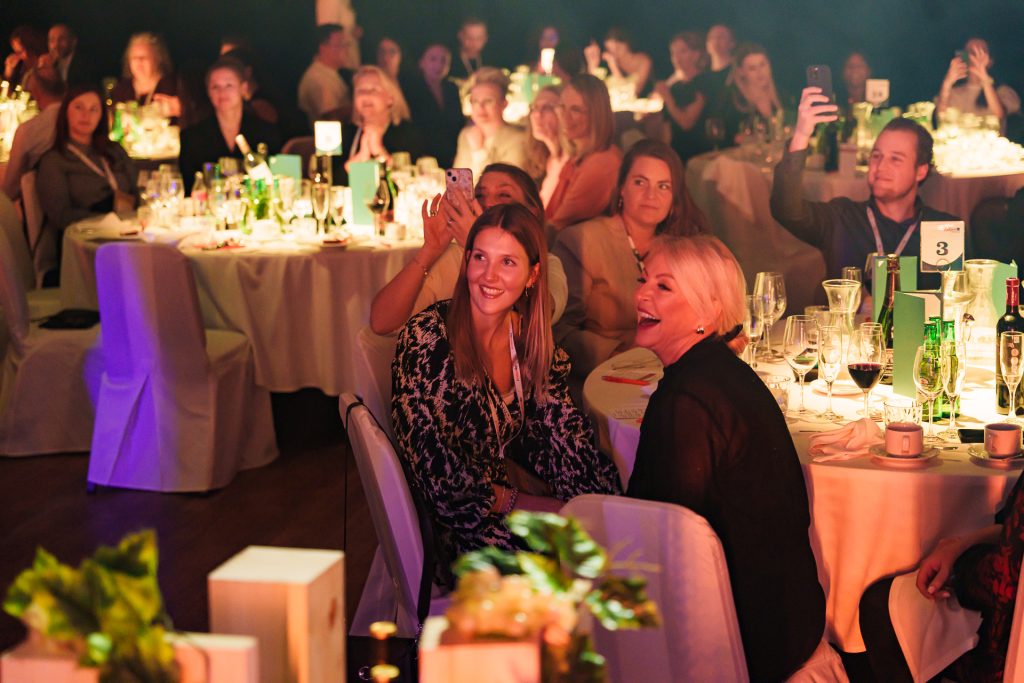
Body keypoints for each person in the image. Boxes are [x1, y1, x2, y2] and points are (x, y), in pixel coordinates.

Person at [626, 235, 829, 682]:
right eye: (643, 280)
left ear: (707, 312)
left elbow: (666, 542)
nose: (641, 295)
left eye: (664, 286)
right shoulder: (723, 373)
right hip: (786, 617)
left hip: (744, 639)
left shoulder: (687, 401)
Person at [391, 202, 621, 585]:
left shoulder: (527, 340)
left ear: (533, 275)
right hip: (458, 528)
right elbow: (442, 482)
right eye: (480, 257)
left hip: (510, 502)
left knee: (616, 536)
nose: (489, 275)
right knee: (576, 564)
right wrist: (530, 504)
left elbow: (564, 433)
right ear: (466, 261)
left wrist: (593, 501)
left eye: (507, 262)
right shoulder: (428, 340)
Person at [770, 87, 959, 290]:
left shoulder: (942, 229)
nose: (881, 166)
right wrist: (801, 134)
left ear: (920, 171)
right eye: (876, 156)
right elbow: (786, 210)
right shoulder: (842, 219)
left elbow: (952, 300)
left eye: (895, 159)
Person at [552, 140, 705, 382]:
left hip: (675, 373)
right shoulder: (582, 241)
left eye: (663, 186)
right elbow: (559, 332)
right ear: (622, 188)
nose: (651, 195)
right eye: (640, 182)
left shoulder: (683, 245)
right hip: (605, 379)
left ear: (674, 198)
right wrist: (619, 357)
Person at [858, 471, 1024, 682]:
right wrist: (957, 546)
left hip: (1009, 632)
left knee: (880, 608)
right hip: (995, 588)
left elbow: (1003, 582)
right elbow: (1010, 528)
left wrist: (958, 571)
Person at [370, 163, 568, 335]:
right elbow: (382, 324)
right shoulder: (451, 257)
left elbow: (538, 320)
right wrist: (430, 249)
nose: (488, 203)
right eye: (479, 195)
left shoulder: (546, 263)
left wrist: (476, 245)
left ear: (533, 211)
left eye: (504, 195)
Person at [37, 84, 137, 281]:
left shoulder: (114, 151)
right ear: (65, 112)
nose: (86, 115)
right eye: (79, 107)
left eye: (94, 109)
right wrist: (108, 222)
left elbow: (139, 189)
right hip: (84, 245)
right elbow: (61, 216)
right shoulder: (54, 161)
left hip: (128, 234)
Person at [178, 57, 282, 189]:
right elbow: (189, 187)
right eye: (215, 87)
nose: (222, 92)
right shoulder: (191, 137)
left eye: (229, 85)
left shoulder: (267, 132)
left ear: (243, 88)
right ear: (208, 92)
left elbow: (278, 181)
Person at [545, 73, 622, 234]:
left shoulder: (601, 163)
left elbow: (558, 225)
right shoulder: (579, 156)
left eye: (576, 110)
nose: (565, 117)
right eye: (562, 107)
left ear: (597, 115)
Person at [336, 65, 424, 182]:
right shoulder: (345, 133)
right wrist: (361, 156)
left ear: (390, 98)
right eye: (360, 90)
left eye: (374, 90)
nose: (366, 95)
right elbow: (330, 180)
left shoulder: (408, 133)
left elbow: (412, 181)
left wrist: (379, 151)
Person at [452, 67, 527, 181]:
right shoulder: (466, 135)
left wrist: (479, 151)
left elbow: (502, 185)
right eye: (475, 101)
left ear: (504, 104)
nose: (480, 107)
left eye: (488, 101)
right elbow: (457, 183)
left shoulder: (517, 140)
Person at [2, 63, 64, 201]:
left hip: (45, 202)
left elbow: (10, 188)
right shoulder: (81, 121)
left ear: (36, 93)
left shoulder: (28, 130)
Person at [654, 31, 713, 162]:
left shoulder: (704, 83)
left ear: (696, 54)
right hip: (675, 154)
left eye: (682, 52)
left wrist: (668, 98)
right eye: (673, 53)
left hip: (698, 154)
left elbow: (687, 123)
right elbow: (667, 128)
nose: (677, 58)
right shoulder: (675, 87)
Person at [402, 44, 464, 167]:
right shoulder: (410, 89)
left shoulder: (451, 88)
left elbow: (458, 122)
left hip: (453, 155)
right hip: (424, 156)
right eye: (433, 59)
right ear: (421, 62)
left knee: (460, 179)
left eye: (443, 60)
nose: (439, 65)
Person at [937, 37, 1020, 128]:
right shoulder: (953, 93)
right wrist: (947, 83)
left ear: (990, 61)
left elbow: (999, 116)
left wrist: (984, 78)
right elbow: (940, 118)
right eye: (969, 52)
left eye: (980, 52)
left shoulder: (1004, 91)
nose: (972, 57)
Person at [111, 32, 188, 125]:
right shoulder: (122, 90)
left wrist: (182, 109)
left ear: (158, 58)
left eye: (144, 57)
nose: (138, 62)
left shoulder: (175, 87)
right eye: (134, 58)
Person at [719, 43, 784, 146]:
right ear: (741, 72)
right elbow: (725, 137)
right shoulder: (735, 101)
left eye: (762, 65)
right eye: (752, 68)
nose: (760, 72)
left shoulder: (782, 96)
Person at [297, 24, 353, 127]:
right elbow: (330, 116)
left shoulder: (329, 73)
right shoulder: (318, 78)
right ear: (323, 48)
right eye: (341, 44)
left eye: (347, 45)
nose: (347, 50)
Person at [523, 85, 567, 206]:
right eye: (535, 107)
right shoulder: (544, 161)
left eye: (547, 107)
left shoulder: (572, 162)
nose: (537, 114)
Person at [584, 27, 652, 98]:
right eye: (610, 50)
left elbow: (634, 91)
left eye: (618, 48)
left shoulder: (643, 61)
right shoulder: (609, 64)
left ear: (627, 44)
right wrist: (592, 64)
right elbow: (595, 89)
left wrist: (613, 66)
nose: (615, 54)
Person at [450, 17, 488, 82]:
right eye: (469, 37)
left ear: (485, 38)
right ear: (460, 36)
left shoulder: (491, 59)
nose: (474, 42)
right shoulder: (449, 60)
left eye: (479, 38)